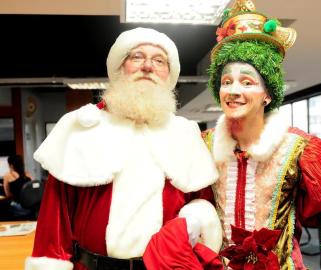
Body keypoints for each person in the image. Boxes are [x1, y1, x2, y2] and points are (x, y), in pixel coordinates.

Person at [202, 1, 321, 269]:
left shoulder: (299, 148)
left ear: (267, 94)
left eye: (247, 82)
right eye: (226, 82)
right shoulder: (203, 145)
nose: (234, 90)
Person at [26, 27, 223, 270]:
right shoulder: (80, 128)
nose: (148, 66)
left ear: (168, 75)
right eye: (137, 56)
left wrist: (194, 219)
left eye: (159, 60)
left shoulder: (185, 134)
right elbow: (54, 221)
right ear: (120, 68)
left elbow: (202, 202)